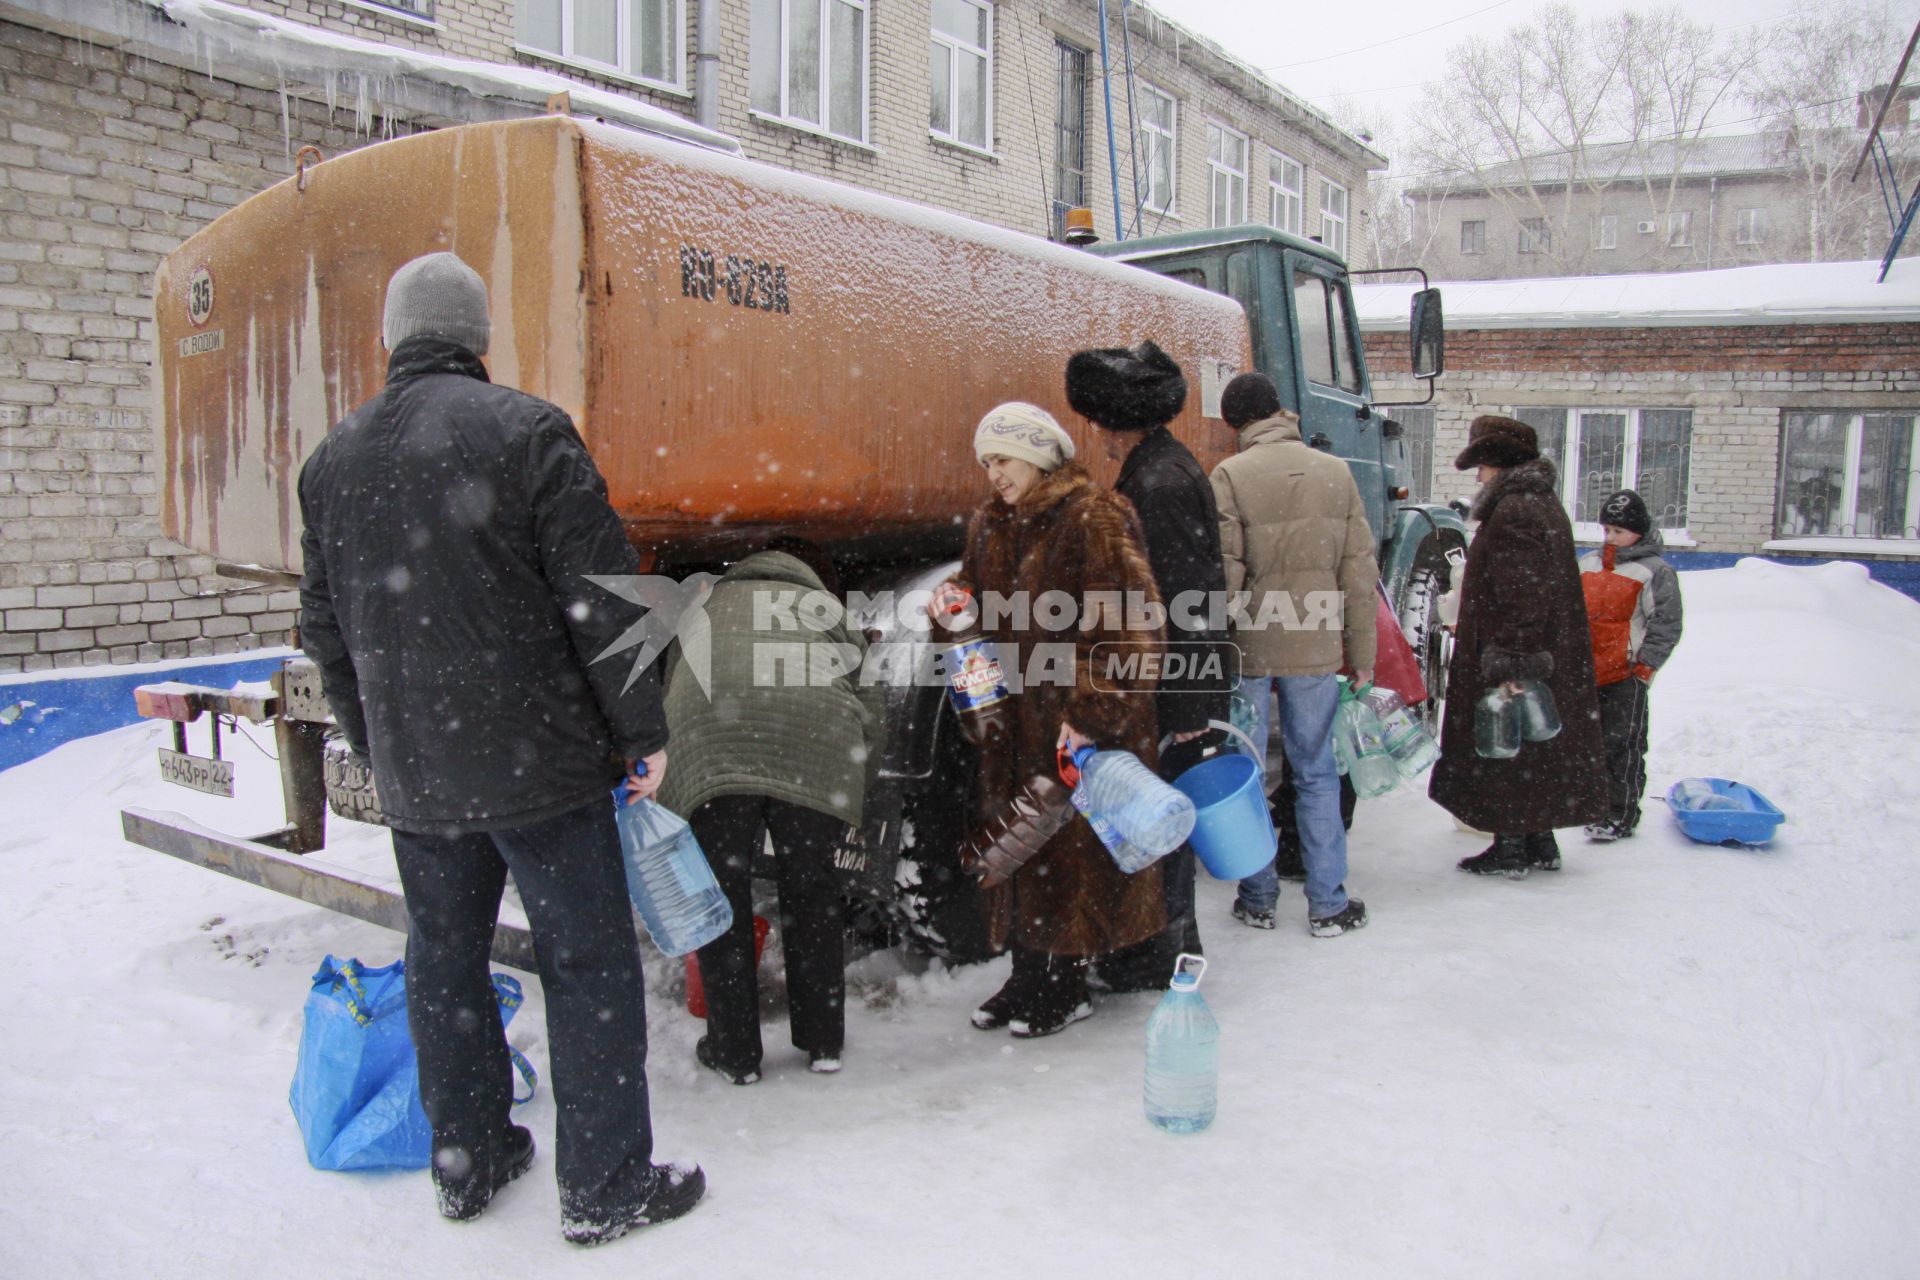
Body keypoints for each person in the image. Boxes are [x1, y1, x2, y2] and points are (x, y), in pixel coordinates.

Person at [298, 252, 703, 1247]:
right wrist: (642, 731)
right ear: (479, 338)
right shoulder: (526, 431)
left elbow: (326, 633)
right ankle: (606, 1183)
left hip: (419, 775)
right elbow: (603, 601)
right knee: (588, 964)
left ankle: (470, 1160)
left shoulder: (329, 461)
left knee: (443, 961)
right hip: (543, 769)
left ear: (392, 337)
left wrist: (376, 741)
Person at [934, 401, 1166, 1037]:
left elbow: (1131, 624)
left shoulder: (1095, 515)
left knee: (1069, 855)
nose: (993, 475)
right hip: (1013, 722)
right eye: (986, 463)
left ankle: (1065, 985)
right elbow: (977, 603)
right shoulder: (990, 523)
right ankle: (1027, 973)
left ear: (1036, 454)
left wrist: (1091, 712)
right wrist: (952, 603)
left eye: (1001, 459)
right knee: (1024, 845)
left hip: (1071, 721)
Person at [658, 544, 883, 1084]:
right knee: (813, 893)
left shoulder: (705, 604)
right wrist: (856, 778)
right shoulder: (823, 606)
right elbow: (869, 693)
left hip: (712, 745)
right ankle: (823, 1041)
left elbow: (672, 686)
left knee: (721, 897)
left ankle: (735, 1053)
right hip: (813, 744)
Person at [1065, 340, 1228, 987]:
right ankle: (1154, 951)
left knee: (1161, 819)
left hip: (1172, 687)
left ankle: (1162, 956)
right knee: (1157, 816)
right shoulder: (1161, 469)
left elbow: (1186, 600)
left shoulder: (1157, 483)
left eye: (1101, 426)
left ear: (1115, 425)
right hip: (1173, 682)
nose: (1098, 439)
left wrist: (1188, 708)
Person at [1209, 371, 1375, 937]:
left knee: (1249, 773)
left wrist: (1214, 643)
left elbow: (1226, 573)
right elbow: (1358, 573)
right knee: (1317, 773)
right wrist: (1364, 654)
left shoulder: (1230, 474)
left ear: (1238, 424)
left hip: (1252, 645)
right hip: (1317, 643)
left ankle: (1258, 897)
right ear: (1280, 411)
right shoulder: (1336, 472)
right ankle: (1328, 903)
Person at [1428, 414, 1607, 875]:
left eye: (1483, 466)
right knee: (1535, 746)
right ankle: (1539, 841)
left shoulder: (1516, 509)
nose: (1479, 476)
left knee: (1506, 742)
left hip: (1519, 651)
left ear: (1500, 463)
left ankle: (1510, 845)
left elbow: (1523, 592)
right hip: (1541, 649)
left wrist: (1511, 657)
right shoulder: (1538, 502)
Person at [1579, 489, 1684, 841]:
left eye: (1619, 532)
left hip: (1626, 675)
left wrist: (1646, 667)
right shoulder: (1589, 563)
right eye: (1607, 530)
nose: (1611, 538)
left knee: (1622, 746)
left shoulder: (1654, 571)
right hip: (1589, 672)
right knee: (1590, 745)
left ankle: (1620, 814)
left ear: (1638, 531)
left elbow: (1665, 623)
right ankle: (1593, 807)